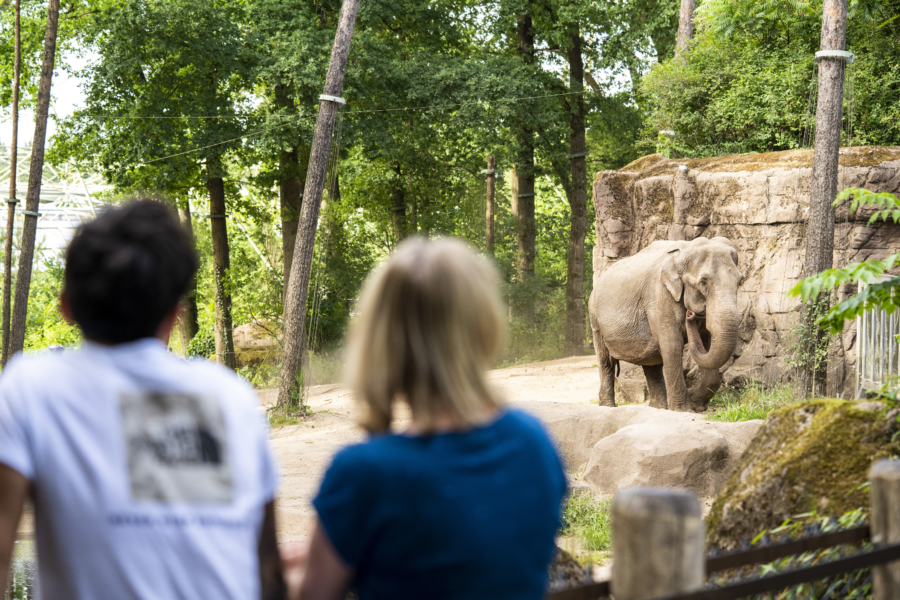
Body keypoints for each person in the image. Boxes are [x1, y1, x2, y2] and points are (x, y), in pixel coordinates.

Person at [0, 200, 284, 599]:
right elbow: (267, 570)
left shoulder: (31, 387)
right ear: (175, 312)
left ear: (67, 306)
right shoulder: (230, 396)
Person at [284, 237, 567, 600]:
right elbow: (472, 551)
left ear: (381, 340)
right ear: (484, 325)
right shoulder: (532, 441)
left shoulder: (364, 474)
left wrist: (278, 573)